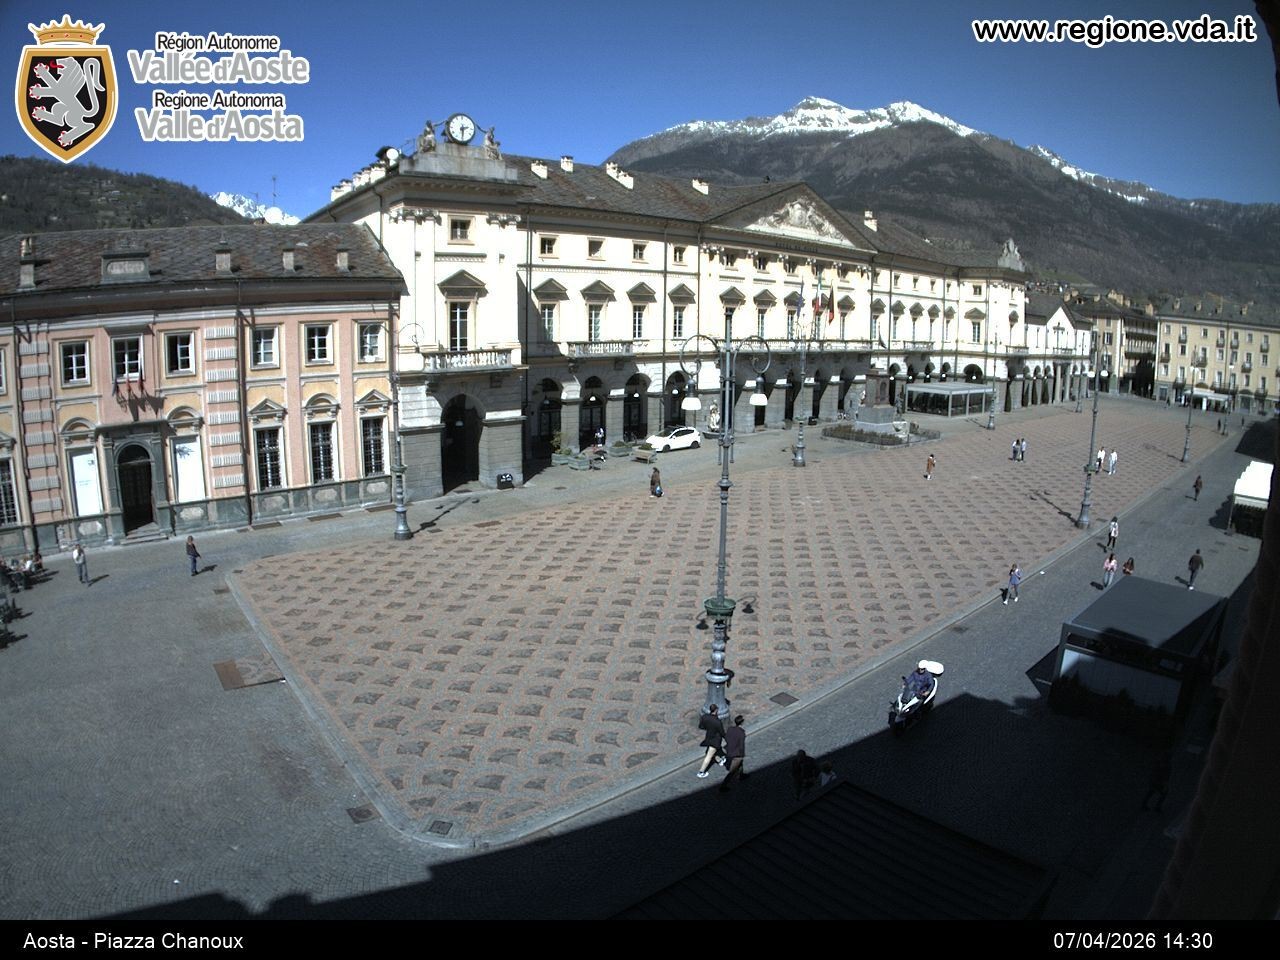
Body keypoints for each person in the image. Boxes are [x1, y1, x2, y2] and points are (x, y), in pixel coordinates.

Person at [719, 714, 749, 792]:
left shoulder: (730, 729)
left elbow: (726, 738)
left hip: (729, 750)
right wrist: (742, 754)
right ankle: (723, 786)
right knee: (732, 771)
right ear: (742, 723)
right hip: (736, 754)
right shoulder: (741, 733)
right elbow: (741, 745)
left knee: (740, 763)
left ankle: (741, 775)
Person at [696, 704, 726, 778]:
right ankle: (701, 772)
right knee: (709, 756)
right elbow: (722, 732)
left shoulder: (705, 717)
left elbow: (701, 726)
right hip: (715, 740)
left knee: (713, 751)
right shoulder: (717, 722)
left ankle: (719, 761)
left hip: (708, 737)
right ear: (716, 710)